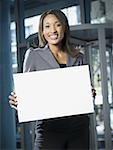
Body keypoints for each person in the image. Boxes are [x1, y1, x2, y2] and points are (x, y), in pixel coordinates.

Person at [9, 9, 96, 150]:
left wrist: (89, 93)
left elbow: (87, 90)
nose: (53, 30)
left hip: (78, 126)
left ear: (64, 28)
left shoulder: (78, 57)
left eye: (57, 25)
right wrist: (18, 101)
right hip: (49, 128)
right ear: (42, 31)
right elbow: (25, 93)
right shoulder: (33, 55)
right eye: (47, 26)